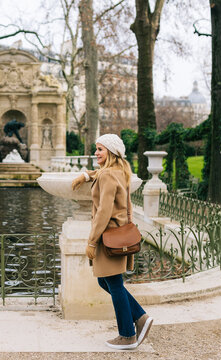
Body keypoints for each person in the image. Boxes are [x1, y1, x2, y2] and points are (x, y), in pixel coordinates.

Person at [71, 133, 153, 350]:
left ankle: (127, 335)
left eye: (100, 149)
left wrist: (91, 242)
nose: (96, 153)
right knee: (106, 281)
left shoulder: (108, 175)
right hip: (119, 235)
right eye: (96, 148)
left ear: (112, 152)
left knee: (114, 284)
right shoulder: (120, 171)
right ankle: (140, 318)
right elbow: (102, 173)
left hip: (108, 238)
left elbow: (103, 212)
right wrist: (86, 176)